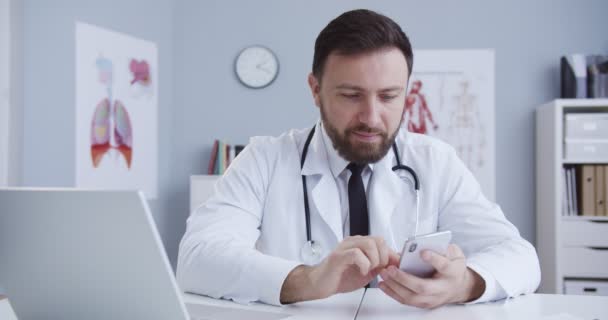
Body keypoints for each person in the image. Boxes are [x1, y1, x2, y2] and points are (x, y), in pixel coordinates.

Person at [177, 9, 540, 309]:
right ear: (315, 90)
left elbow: (520, 256)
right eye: (351, 95)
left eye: (388, 96)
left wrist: (465, 283)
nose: (371, 116)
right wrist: (308, 278)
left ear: (407, 94)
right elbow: (197, 258)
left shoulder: (435, 161)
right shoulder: (265, 159)